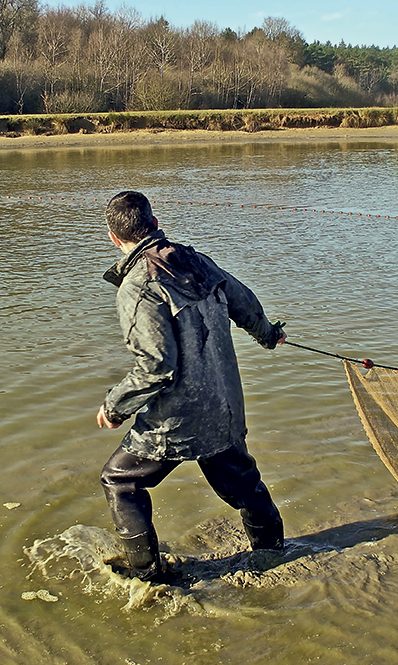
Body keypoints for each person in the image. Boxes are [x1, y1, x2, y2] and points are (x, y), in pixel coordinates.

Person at [97, 191, 287, 582]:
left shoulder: (137, 285)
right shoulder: (196, 260)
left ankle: (150, 578)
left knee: (120, 480)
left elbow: (156, 366)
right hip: (225, 405)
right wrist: (268, 335)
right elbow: (245, 302)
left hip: (180, 418)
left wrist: (115, 407)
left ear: (115, 238)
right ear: (152, 222)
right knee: (245, 485)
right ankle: (275, 557)